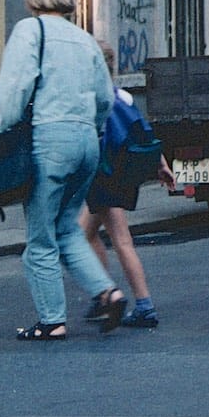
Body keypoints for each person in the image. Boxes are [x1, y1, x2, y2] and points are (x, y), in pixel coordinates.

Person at [0, 0, 123, 340]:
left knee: (40, 238)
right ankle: (108, 292)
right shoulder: (85, 40)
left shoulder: (29, 31)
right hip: (86, 144)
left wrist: (4, 128)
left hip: (48, 142)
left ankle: (52, 321)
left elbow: (14, 91)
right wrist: (92, 130)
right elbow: (104, 98)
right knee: (67, 227)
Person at [80, 39, 166, 329]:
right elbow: (143, 133)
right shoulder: (125, 97)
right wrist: (161, 164)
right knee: (85, 235)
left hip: (104, 176)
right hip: (121, 174)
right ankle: (102, 294)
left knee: (121, 241)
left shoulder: (93, 98)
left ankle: (140, 304)